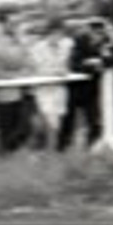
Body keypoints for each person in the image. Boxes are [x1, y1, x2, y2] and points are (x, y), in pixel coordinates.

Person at [0, 8, 35, 154]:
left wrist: (22, 73)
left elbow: (30, 64)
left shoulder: (21, 41)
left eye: (17, 23)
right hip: (4, 94)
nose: (15, 26)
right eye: (12, 22)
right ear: (4, 24)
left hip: (23, 93)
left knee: (25, 128)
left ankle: (15, 157)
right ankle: (5, 161)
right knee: (6, 131)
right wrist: (15, 75)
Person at [59, 19, 113, 151]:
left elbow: (112, 60)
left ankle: (91, 148)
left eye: (100, 33)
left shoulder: (106, 42)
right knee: (68, 119)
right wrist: (87, 64)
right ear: (89, 31)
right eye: (95, 33)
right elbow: (73, 64)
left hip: (93, 89)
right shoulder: (79, 41)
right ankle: (62, 147)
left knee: (94, 119)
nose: (97, 36)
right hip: (75, 88)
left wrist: (102, 60)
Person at [28, 17, 73, 151]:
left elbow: (67, 65)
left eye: (60, 34)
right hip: (44, 89)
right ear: (49, 33)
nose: (58, 37)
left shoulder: (66, 45)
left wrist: (65, 70)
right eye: (55, 33)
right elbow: (37, 69)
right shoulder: (37, 48)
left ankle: (48, 149)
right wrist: (55, 71)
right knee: (49, 122)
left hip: (60, 88)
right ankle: (45, 148)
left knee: (57, 123)